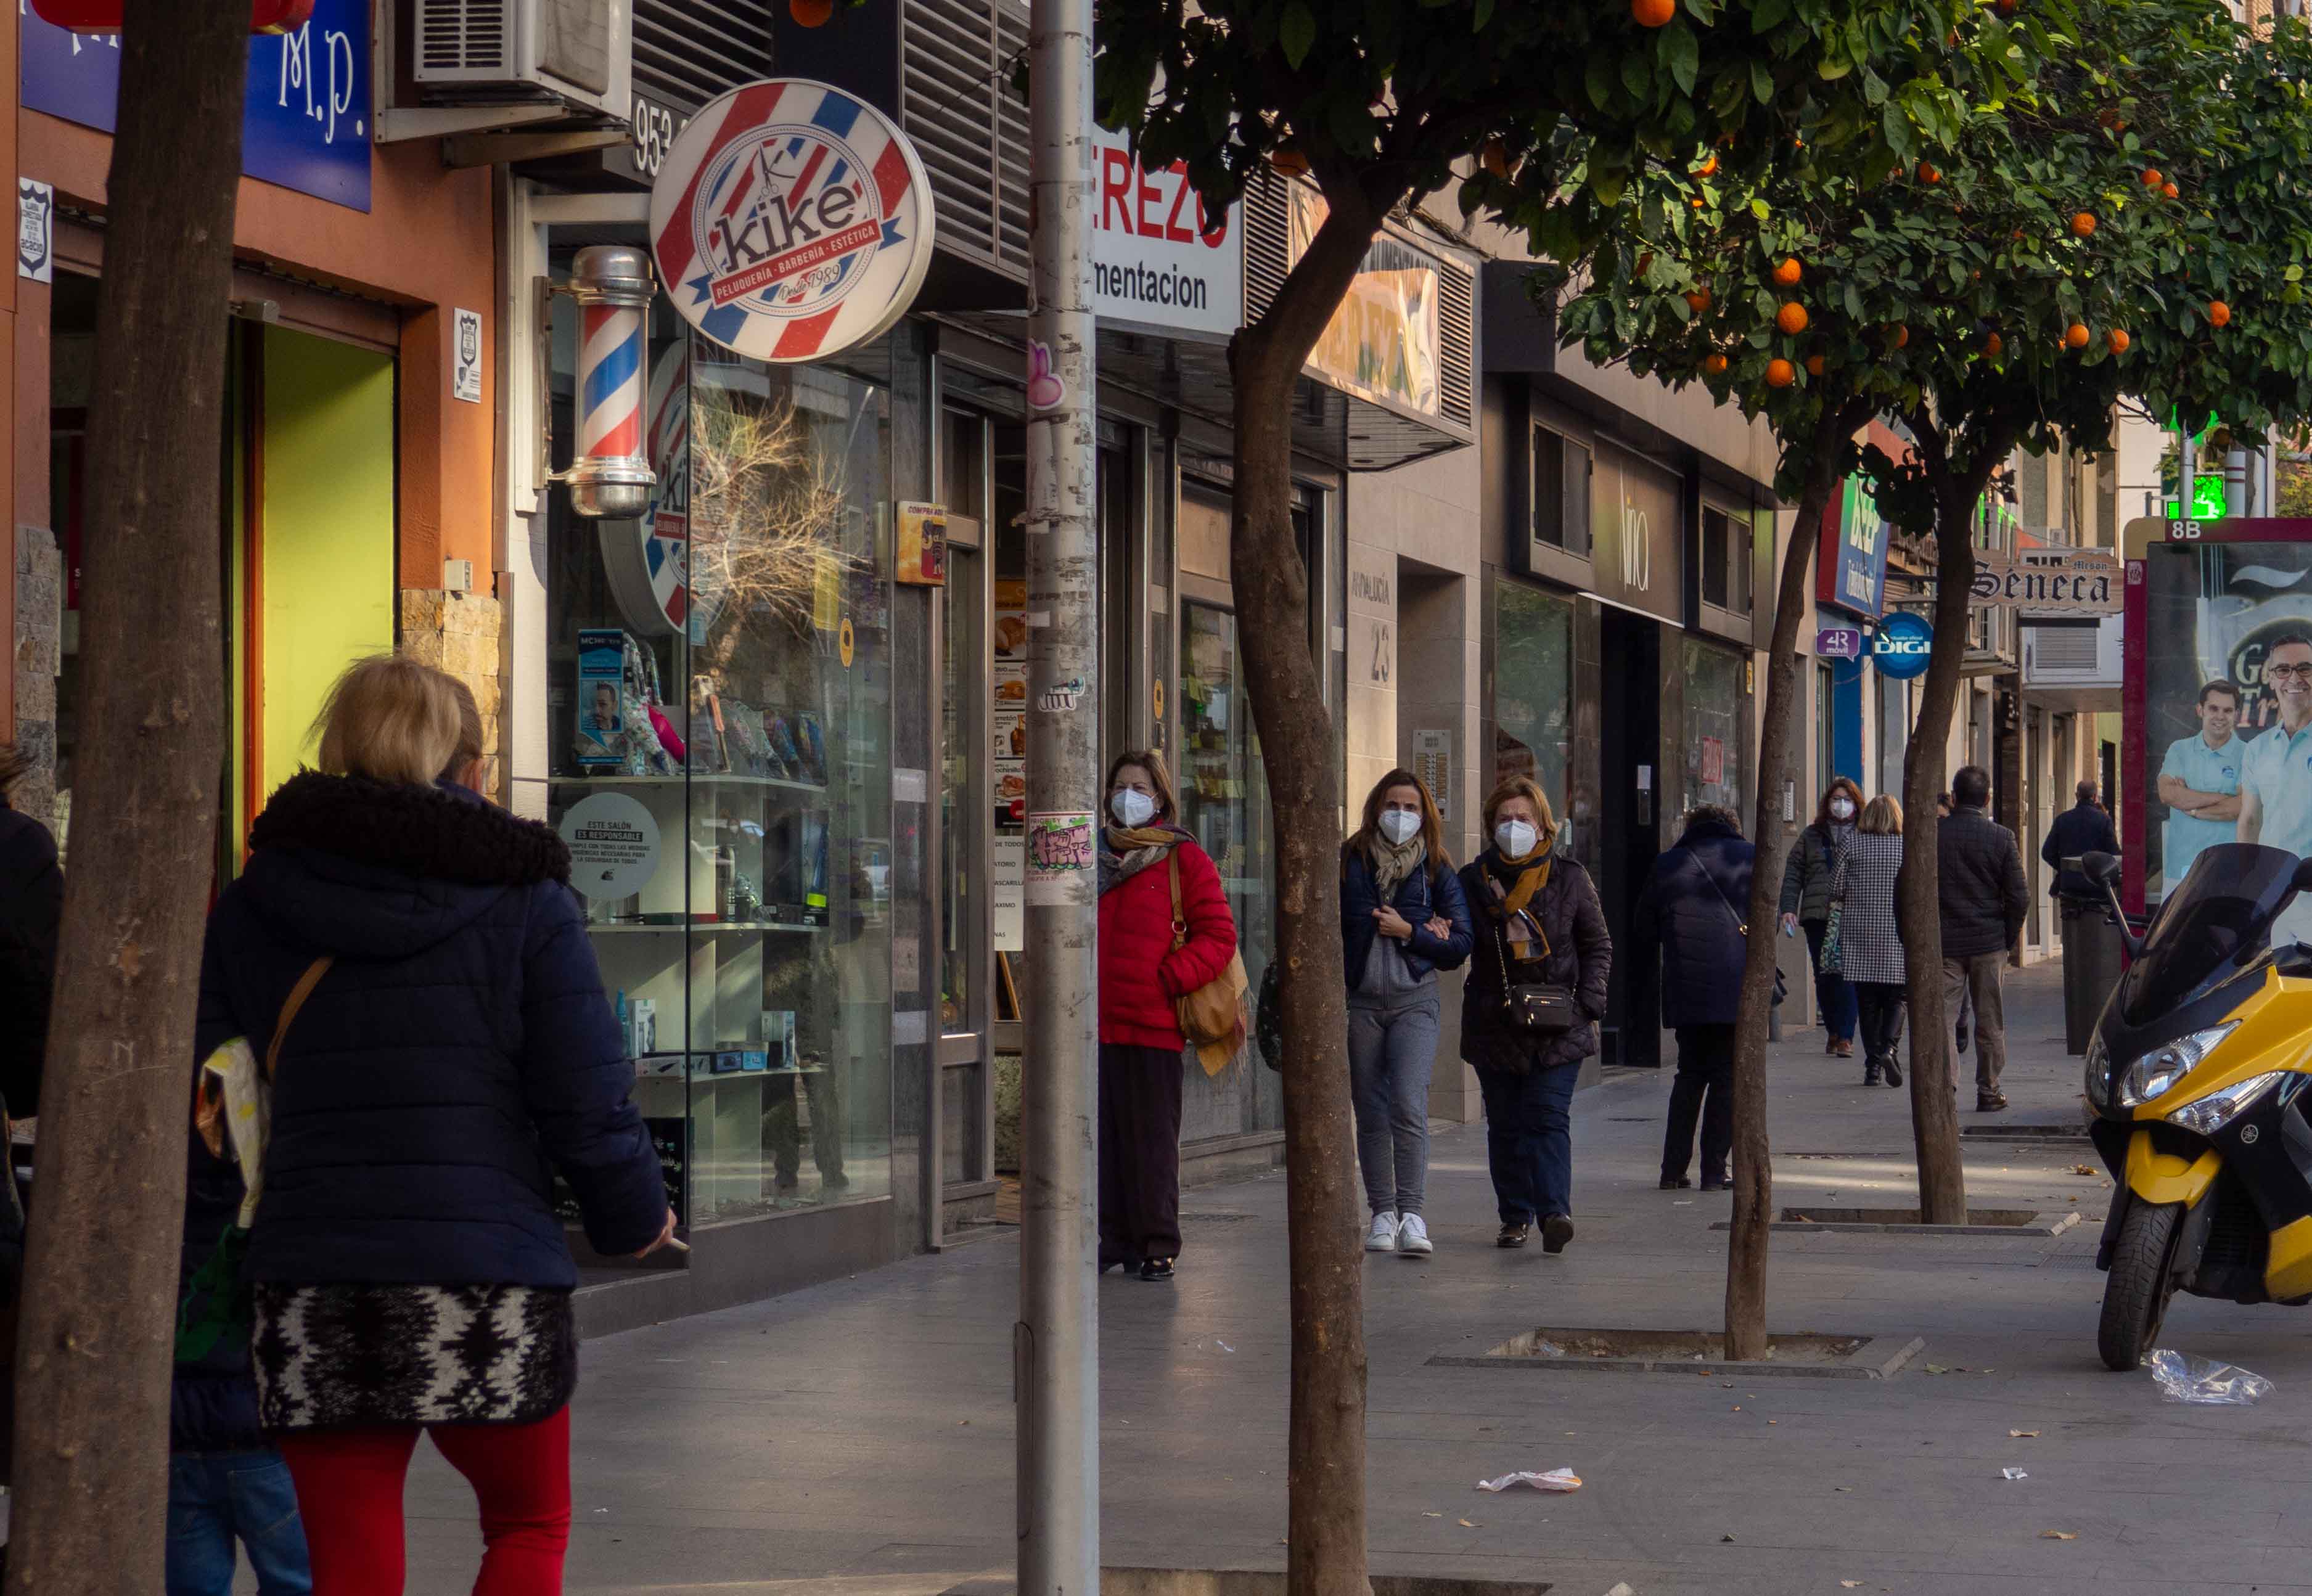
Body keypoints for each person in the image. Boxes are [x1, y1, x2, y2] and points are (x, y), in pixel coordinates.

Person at [203, 655, 673, 1596]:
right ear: (467, 765)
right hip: (487, 1269)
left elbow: (218, 1080)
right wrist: (636, 1220)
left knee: (349, 1553)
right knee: (528, 1523)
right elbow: (584, 1093)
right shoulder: (529, 900)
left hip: (317, 1273)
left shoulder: (256, 902)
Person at [1096, 750, 1237, 1282]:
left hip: (1154, 1027)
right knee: (1105, 1142)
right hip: (1099, 1026)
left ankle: (1158, 1242)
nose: (1128, 795)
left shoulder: (1182, 858)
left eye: (1140, 787)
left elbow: (1220, 936)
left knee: (1152, 1143)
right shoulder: (1093, 856)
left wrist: (1169, 979)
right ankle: (1114, 1239)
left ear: (1159, 799)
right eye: (1120, 785)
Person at [1458, 776, 1611, 1253]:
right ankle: (1514, 1215)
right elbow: (1459, 942)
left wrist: (1587, 1005)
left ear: (1543, 825)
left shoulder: (1570, 877)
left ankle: (1553, 1213)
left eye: (1522, 818)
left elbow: (1597, 944)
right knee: (1505, 1124)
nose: (1513, 826)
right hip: (1497, 1023)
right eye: (1504, 818)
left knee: (1547, 1116)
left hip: (1557, 1024)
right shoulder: (1473, 881)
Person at [1341, 769, 1472, 1256]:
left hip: (1415, 1001)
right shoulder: (1350, 860)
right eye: (1393, 805)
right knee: (1371, 1112)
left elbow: (1460, 942)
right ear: (1376, 807)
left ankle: (1413, 1213)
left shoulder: (1436, 867)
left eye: (1411, 807)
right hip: (1362, 1003)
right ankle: (1382, 1212)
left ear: (1425, 814)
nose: (1401, 815)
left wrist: (1411, 932)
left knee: (1408, 1105)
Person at [1631, 803, 1751, 1192]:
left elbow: (1643, 928)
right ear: (1732, 827)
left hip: (1687, 985)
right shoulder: (1748, 857)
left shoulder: (1668, 864)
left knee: (1690, 1075)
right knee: (1727, 1078)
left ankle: (1672, 1169)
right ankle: (1715, 1170)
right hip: (1735, 986)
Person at [1938, 764, 2028, 1112]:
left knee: (1943, 1021)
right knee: (1989, 1019)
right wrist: (2007, 937)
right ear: (1988, 799)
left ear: (1953, 796)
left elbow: (1906, 891)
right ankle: (1989, 1090)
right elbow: (2020, 895)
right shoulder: (2001, 838)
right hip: (1988, 943)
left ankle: (1945, 1089)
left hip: (1945, 944)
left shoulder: (1933, 835)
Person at [1778, 777, 1864, 1058]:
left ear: (1856, 803)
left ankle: (1846, 1037)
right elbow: (1793, 873)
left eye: (1846, 799)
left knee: (1848, 973)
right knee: (1825, 975)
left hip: (1852, 914)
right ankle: (1834, 1030)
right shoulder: (1812, 836)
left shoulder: (1865, 834)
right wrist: (1788, 907)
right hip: (1818, 915)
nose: (1841, 805)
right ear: (1827, 803)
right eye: (1836, 799)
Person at [2240, 636, 2312, 944]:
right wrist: (2246, 883)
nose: (2295, 678)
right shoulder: (2256, 749)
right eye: (2283, 669)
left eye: (2306, 668)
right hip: (2273, 901)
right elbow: (2250, 821)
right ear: (2270, 679)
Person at [1840, 795, 1908, 1089]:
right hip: (1897, 930)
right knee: (1898, 997)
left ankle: (1872, 1068)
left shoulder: (1851, 844)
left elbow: (1834, 887)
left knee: (1867, 1003)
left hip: (1860, 933)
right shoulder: (1907, 847)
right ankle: (1889, 1050)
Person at [2044, 777, 2121, 900]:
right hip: (2097, 888)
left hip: (2070, 886)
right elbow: (2114, 853)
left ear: (2077, 795)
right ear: (2095, 797)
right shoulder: (2104, 820)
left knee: (2070, 917)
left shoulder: (2062, 820)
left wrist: (2066, 866)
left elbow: (2047, 853)